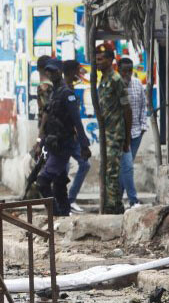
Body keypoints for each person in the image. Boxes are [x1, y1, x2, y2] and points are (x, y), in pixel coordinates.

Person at [37, 59, 82, 217]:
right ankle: (63, 214)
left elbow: (76, 120)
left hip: (63, 145)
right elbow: (46, 117)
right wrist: (40, 141)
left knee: (42, 181)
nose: (51, 74)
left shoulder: (66, 93)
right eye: (49, 71)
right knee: (60, 183)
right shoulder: (54, 93)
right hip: (52, 144)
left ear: (60, 72)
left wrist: (84, 145)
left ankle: (54, 213)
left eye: (54, 71)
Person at [95, 45, 131, 214]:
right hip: (106, 133)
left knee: (112, 171)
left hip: (116, 132)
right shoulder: (102, 80)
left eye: (101, 59)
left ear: (110, 60)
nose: (97, 62)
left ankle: (115, 207)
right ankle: (111, 204)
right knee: (107, 169)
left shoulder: (116, 80)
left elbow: (126, 109)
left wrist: (127, 138)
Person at [61, 61, 92, 214]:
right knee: (63, 169)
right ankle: (64, 202)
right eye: (77, 71)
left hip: (72, 138)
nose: (80, 74)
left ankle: (70, 199)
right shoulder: (63, 89)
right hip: (64, 138)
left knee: (85, 165)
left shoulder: (71, 89)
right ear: (71, 71)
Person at [119, 58, 147, 207]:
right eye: (124, 71)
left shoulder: (137, 84)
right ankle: (133, 200)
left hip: (136, 133)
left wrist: (143, 126)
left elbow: (144, 106)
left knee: (125, 168)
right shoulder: (116, 86)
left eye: (129, 71)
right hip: (121, 135)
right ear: (118, 70)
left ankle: (117, 199)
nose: (127, 74)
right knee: (128, 166)